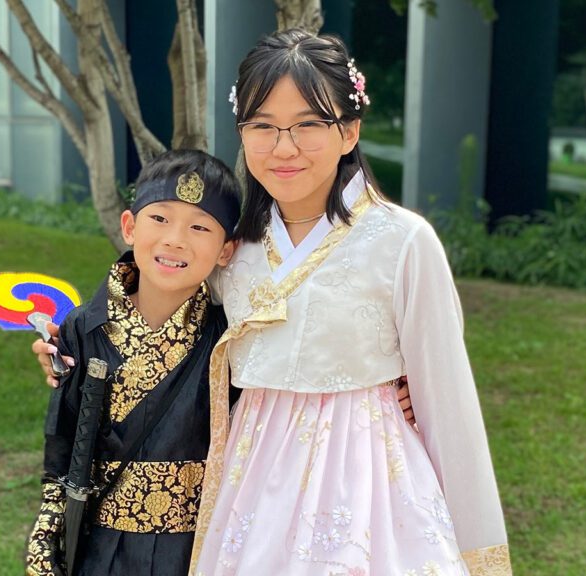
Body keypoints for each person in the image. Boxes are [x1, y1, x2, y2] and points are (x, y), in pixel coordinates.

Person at [35, 29, 510, 576]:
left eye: (309, 124)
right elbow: (159, 308)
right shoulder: (234, 248)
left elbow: (449, 406)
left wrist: (479, 551)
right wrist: (70, 344)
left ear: (349, 130)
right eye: (263, 126)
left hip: (366, 478)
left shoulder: (402, 241)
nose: (284, 147)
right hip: (250, 474)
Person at [25, 149, 241, 576]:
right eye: (159, 219)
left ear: (226, 251)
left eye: (199, 227)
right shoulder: (84, 328)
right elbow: (64, 434)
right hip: (100, 540)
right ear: (129, 226)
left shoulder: (228, 337)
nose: (175, 239)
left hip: (196, 547)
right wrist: (50, 525)